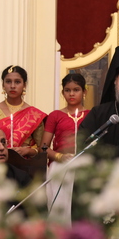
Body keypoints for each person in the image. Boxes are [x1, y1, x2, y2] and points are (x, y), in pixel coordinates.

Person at [42, 73, 90, 220]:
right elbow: (43, 147)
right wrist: (59, 157)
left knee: (82, 211)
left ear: (84, 92)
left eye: (76, 90)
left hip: (84, 169)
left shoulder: (92, 114)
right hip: (59, 168)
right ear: (63, 93)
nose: (72, 94)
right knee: (59, 211)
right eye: (67, 90)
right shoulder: (55, 115)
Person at [0, 65, 47, 158]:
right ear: (3, 85)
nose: (12, 86)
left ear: (24, 85)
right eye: (8, 82)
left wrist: (27, 150)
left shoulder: (34, 114)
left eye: (17, 82)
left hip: (24, 166)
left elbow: (43, 148)